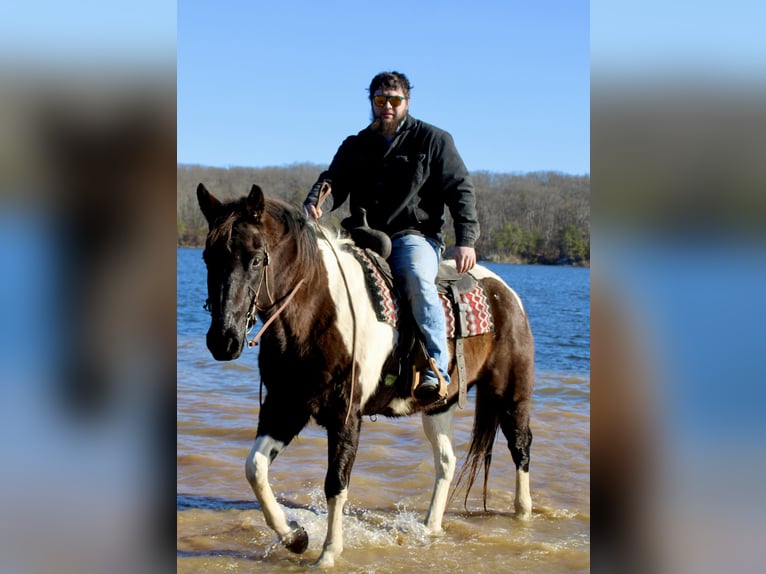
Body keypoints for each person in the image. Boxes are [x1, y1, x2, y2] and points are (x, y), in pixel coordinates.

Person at [303, 71, 479, 404]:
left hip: (413, 235)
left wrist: (465, 238)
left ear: (406, 103)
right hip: (363, 234)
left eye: (394, 100)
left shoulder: (433, 139)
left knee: (414, 278)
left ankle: (435, 368)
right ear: (371, 102)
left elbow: (460, 189)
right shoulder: (356, 145)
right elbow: (333, 181)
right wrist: (316, 202)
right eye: (380, 100)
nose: (387, 106)